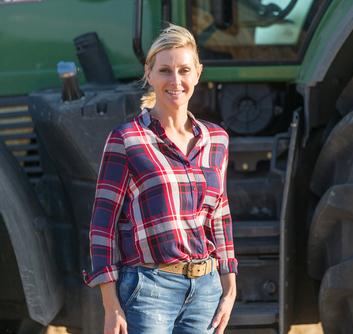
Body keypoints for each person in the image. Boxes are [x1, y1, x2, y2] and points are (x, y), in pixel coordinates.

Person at [83, 24, 237, 334]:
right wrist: (111, 305)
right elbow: (103, 226)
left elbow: (219, 215)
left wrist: (229, 288)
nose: (176, 80)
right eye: (165, 70)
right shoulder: (127, 139)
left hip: (205, 291)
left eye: (184, 70)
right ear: (149, 73)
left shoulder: (216, 139)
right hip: (148, 290)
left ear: (198, 73)